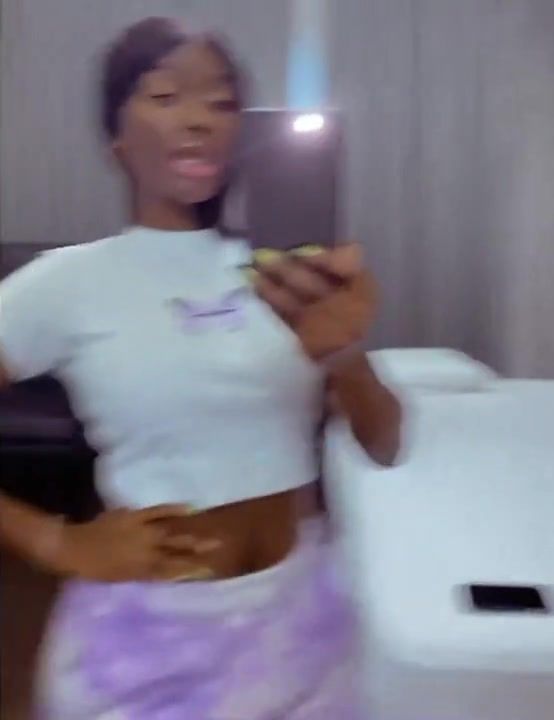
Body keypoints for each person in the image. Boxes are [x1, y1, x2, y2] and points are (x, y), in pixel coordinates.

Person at [0, 17, 402, 719]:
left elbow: (385, 442)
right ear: (117, 138)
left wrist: (344, 355)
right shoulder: (64, 284)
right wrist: (58, 541)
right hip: (145, 649)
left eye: (221, 103)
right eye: (165, 97)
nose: (198, 121)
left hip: (302, 627)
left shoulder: (290, 276)